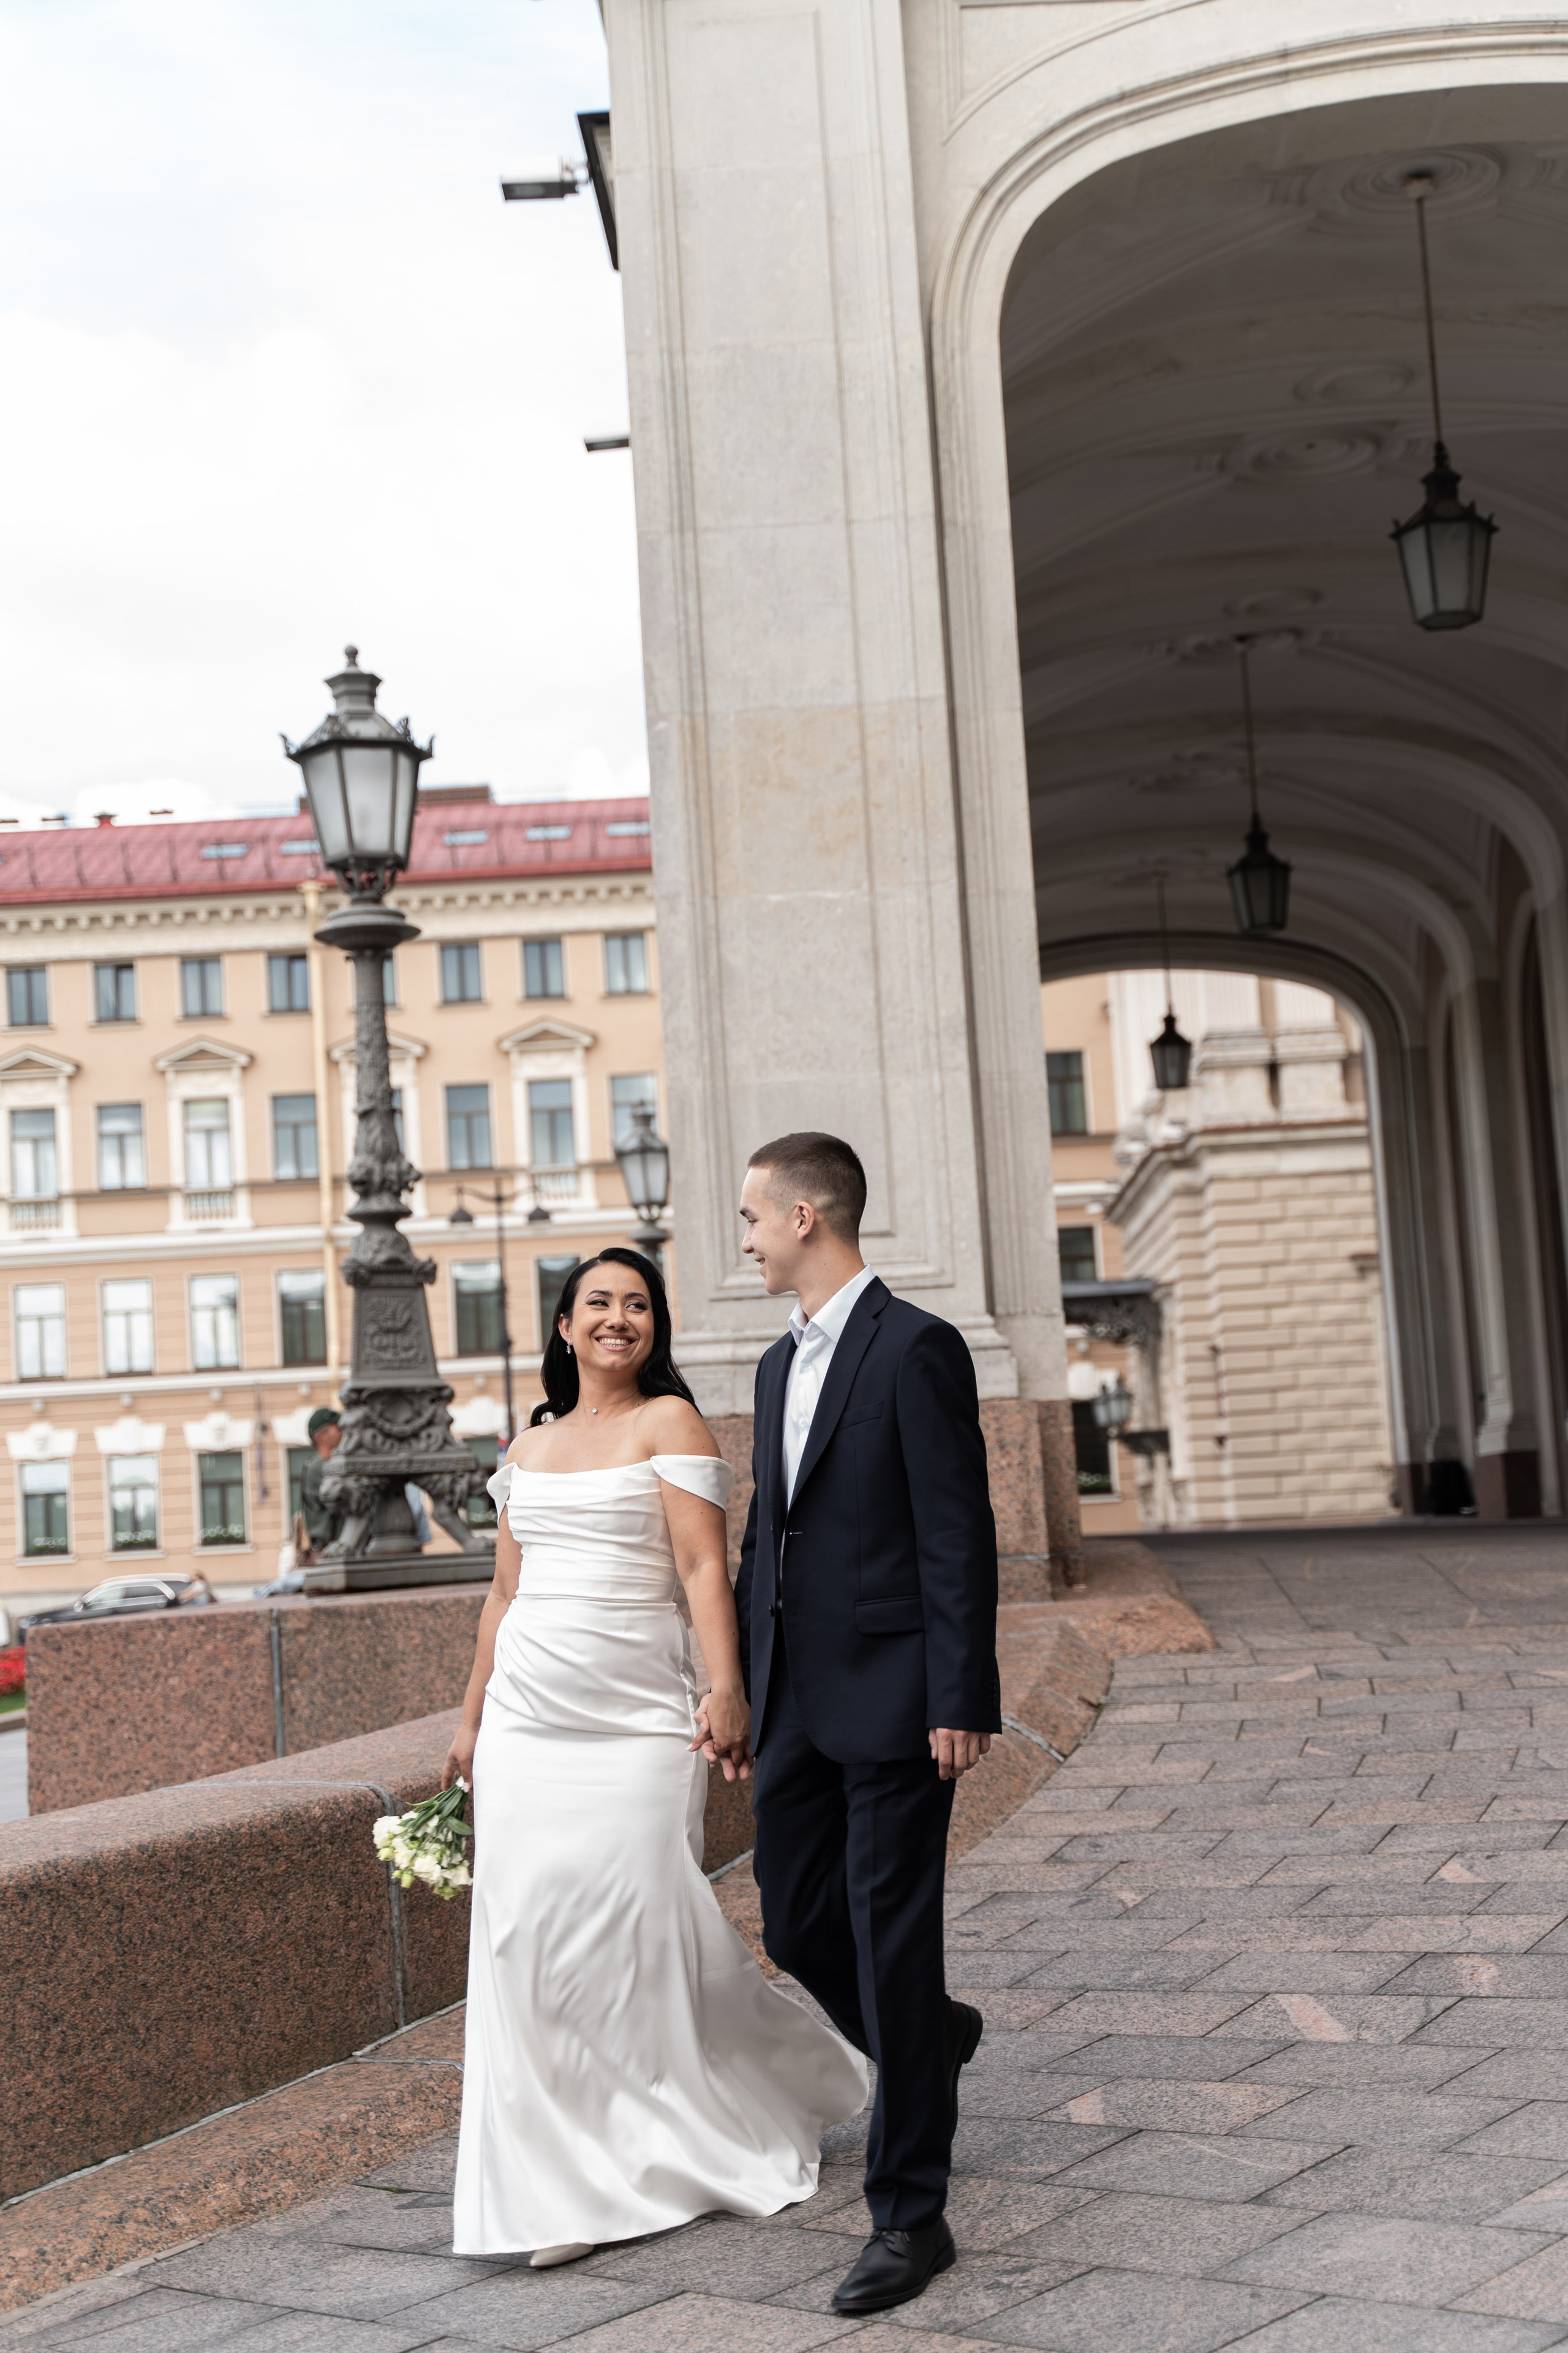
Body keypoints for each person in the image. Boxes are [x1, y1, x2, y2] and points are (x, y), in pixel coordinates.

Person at [447, 1247, 867, 2267]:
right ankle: (560, 2184)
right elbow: (503, 1594)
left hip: (637, 1721)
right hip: (527, 1724)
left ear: (654, 1329)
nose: (617, 1318)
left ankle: (706, 2112)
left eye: (637, 1305)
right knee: (525, 1944)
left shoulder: (669, 1424)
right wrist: (469, 1719)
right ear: (563, 1325)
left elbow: (700, 1567)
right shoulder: (532, 1442)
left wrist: (727, 1689)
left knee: (630, 1924)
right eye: (598, 1302)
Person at [736, 1131, 1001, 2316]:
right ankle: (930, 2039)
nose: (741, 1235)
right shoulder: (770, 1365)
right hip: (793, 1692)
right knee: (796, 1921)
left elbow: (957, 1528)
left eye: (751, 1214)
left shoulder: (918, 1347)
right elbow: (768, 1536)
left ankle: (911, 2213)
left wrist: (961, 1693)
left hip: (898, 1696)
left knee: (892, 1934)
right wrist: (743, 1682)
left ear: (805, 1216)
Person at [298, 1408, 343, 1555]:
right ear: (321, 1436)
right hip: (330, 1549)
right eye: (337, 1427)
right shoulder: (320, 1466)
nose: (342, 1430)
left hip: (334, 1548)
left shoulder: (323, 1464)